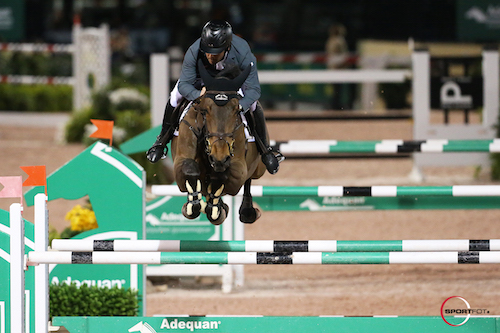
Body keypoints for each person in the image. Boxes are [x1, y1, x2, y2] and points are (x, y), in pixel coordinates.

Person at [146, 20, 282, 174]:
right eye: (207, 51)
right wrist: (197, 95)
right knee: (174, 97)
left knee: (253, 105)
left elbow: (254, 90)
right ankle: (161, 141)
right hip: (202, 81)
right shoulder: (194, 50)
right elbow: (184, 84)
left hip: (232, 82)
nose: (210, 55)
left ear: (228, 46)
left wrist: (241, 105)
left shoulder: (243, 51)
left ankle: (265, 150)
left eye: (217, 51)